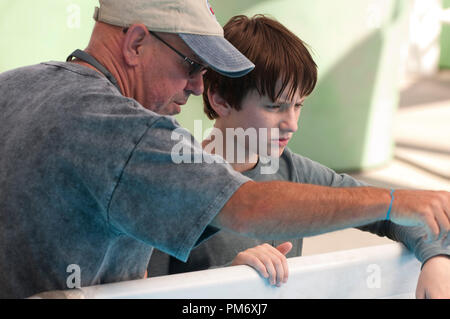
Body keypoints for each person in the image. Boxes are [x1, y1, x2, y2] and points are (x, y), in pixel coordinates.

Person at [0, 0, 448, 299]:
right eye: (191, 65)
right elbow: (247, 205)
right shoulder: (133, 134)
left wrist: (435, 254)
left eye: (299, 106)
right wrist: (395, 199)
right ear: (136, 43)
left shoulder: (12, 85)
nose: (197, 86)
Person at [147, 15, 450, 298]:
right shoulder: (175, 184)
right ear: (221, 99)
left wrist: (435, 257)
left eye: (298, 105)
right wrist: (227, 280)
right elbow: (145, 290)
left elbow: (392, 213)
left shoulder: (293, 170)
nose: (292, 124)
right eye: (275, 106)